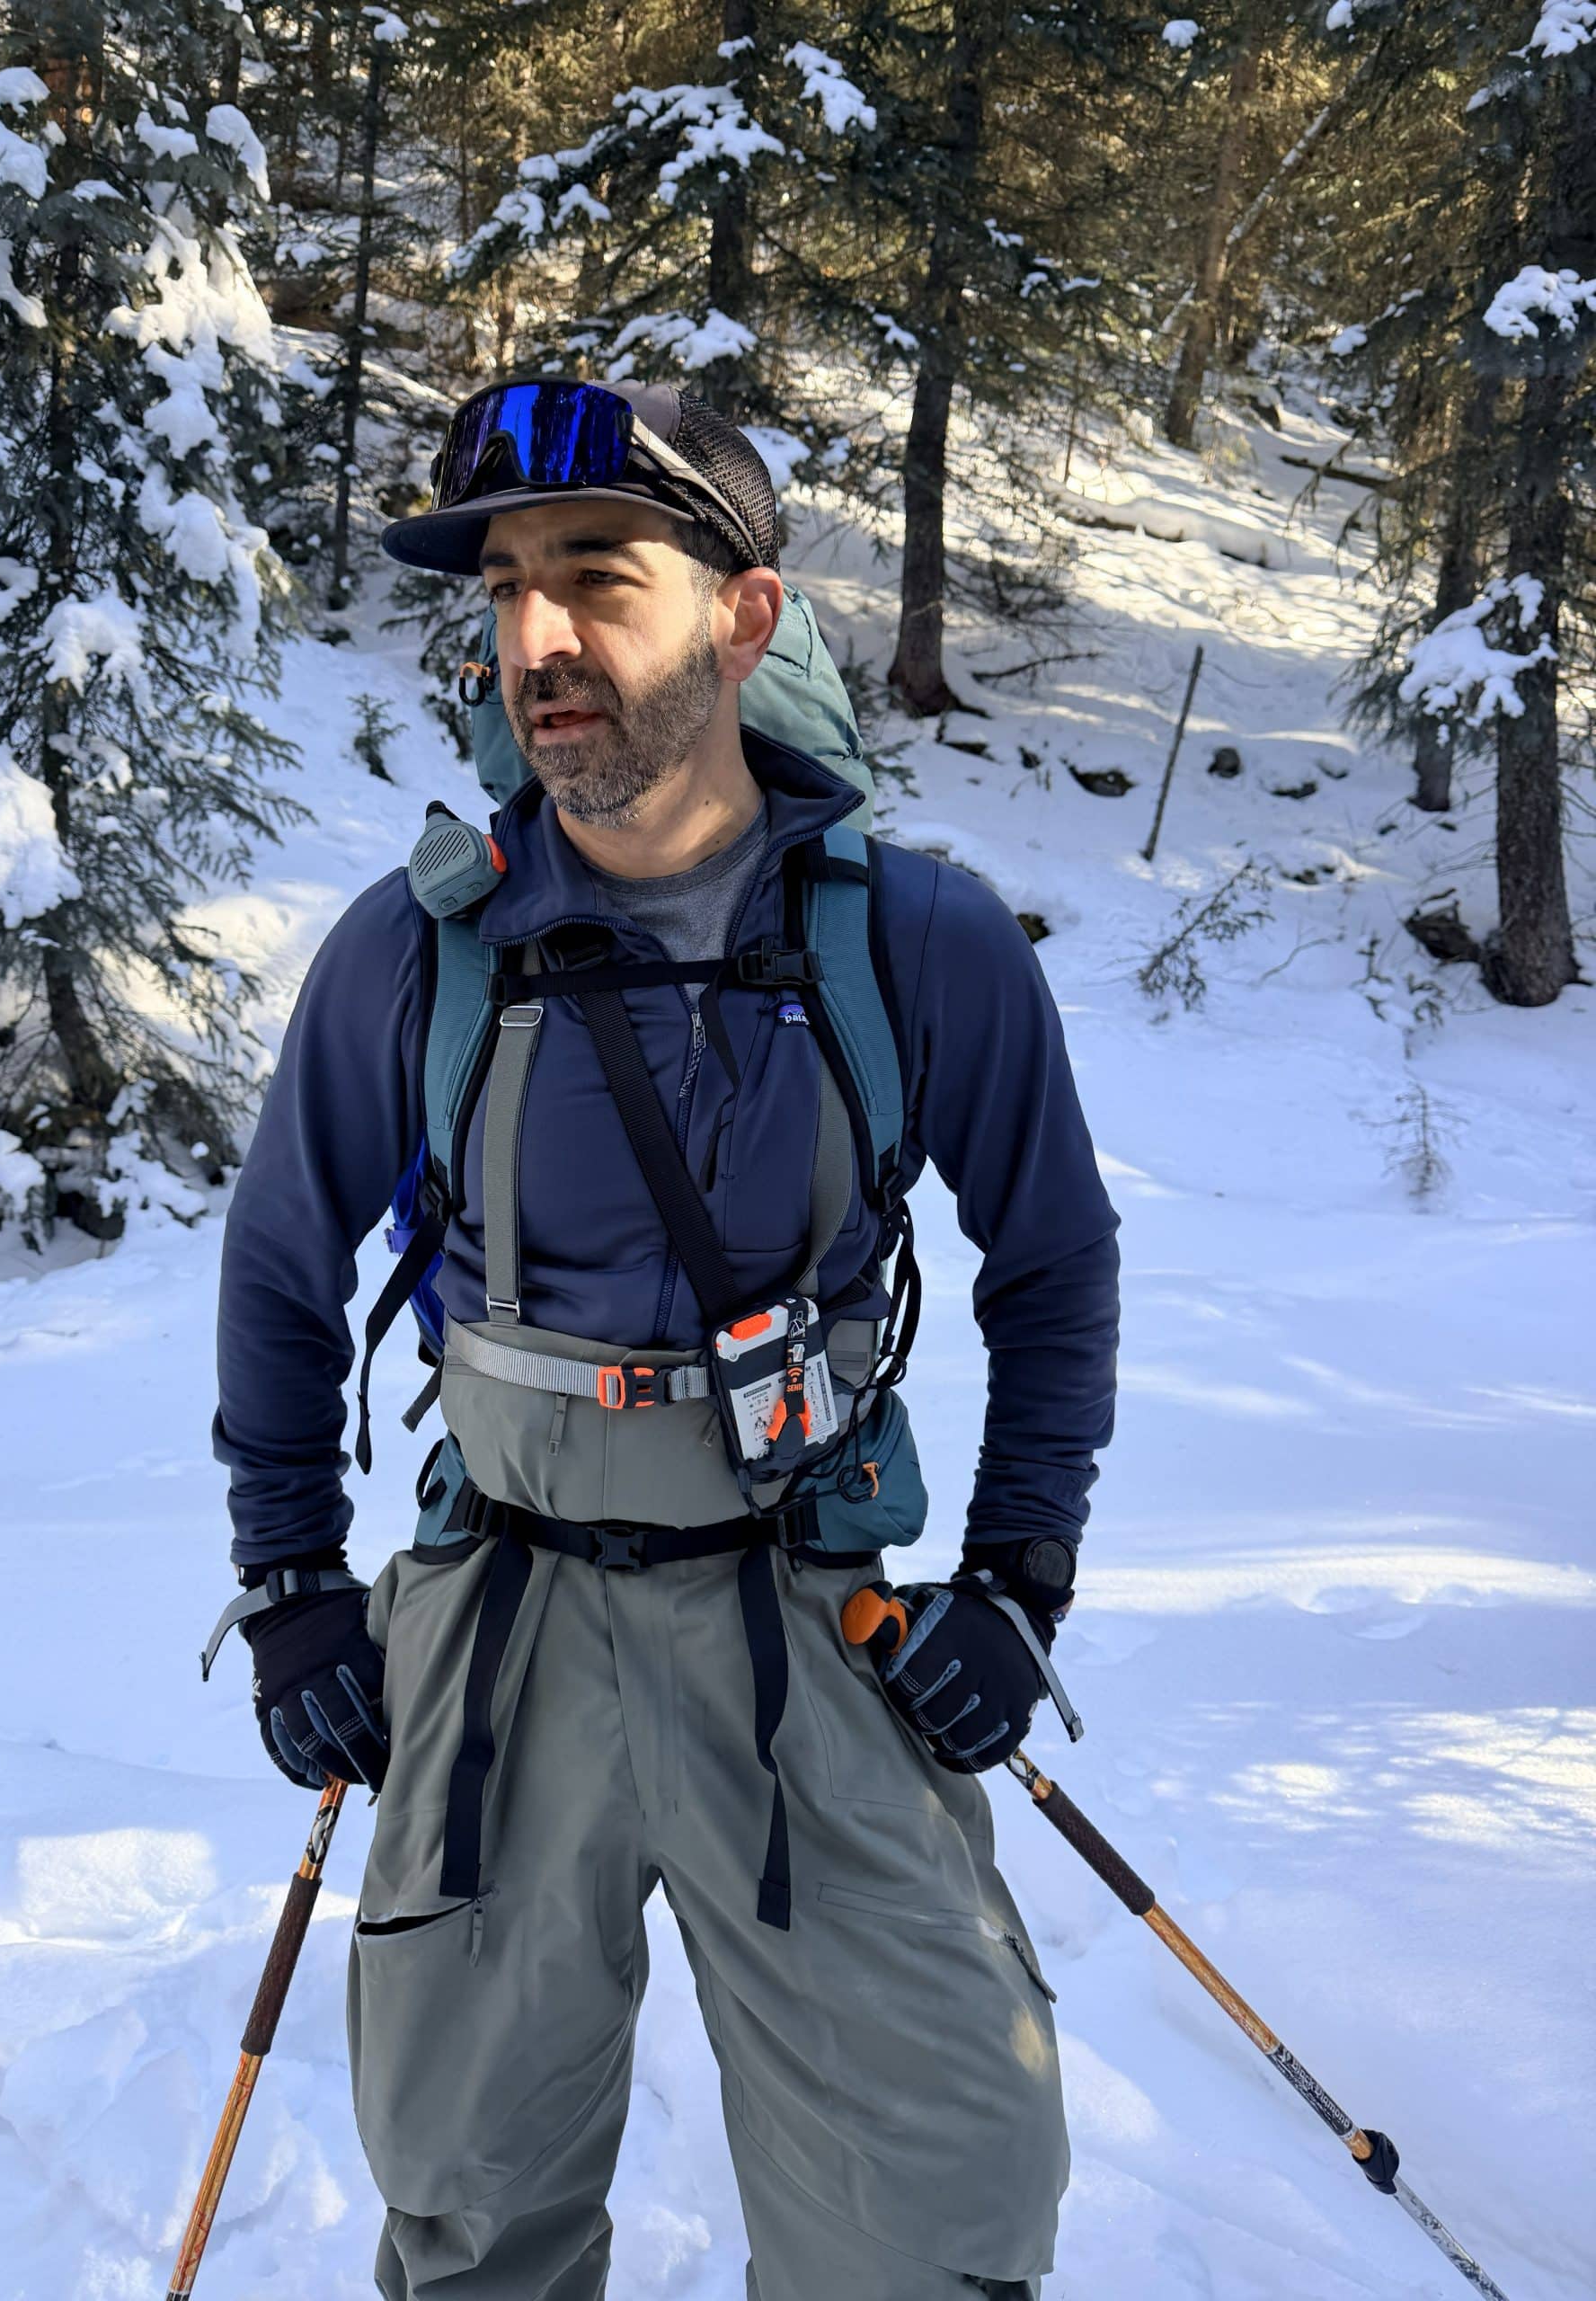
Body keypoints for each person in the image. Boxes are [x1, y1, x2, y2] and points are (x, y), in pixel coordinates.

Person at [208, 376, 1122, 2301]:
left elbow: (1054, 1261)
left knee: (943, 2200)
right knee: (468, 2193)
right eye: (509, 587)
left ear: (745, 614)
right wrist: (292, 1578)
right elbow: (283, 1265)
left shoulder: (919, 945)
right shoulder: (414, 950)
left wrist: (1022, 1577)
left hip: (803, 1620)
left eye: (598, 579)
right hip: (502, 1629)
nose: (537, 638)